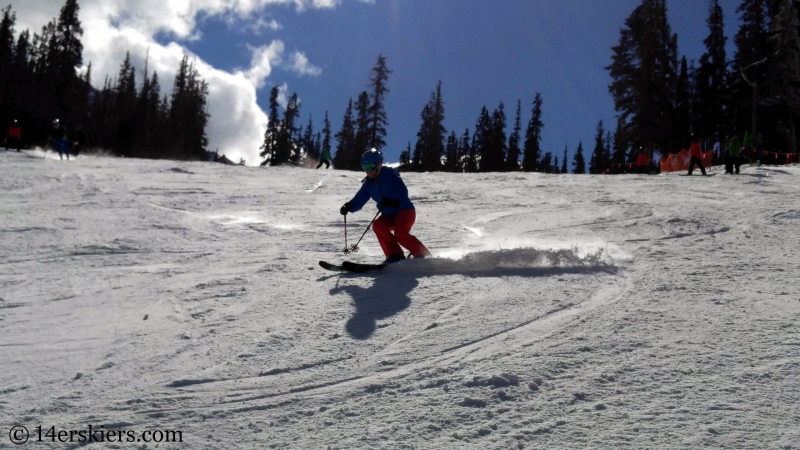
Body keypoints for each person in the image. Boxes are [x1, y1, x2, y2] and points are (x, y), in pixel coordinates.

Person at [339, 148, 431, 264]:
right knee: (378, 225)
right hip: (388, 215)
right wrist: (349, 206)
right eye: (365, 168)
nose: (369, 171)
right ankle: (395, 255)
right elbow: (360, 198)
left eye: (371, 167)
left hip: (404, 211)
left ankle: (423, 254)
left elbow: (401, 189)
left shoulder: (390, 174)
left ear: (378, 164)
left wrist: (394, 200)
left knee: (400, 234)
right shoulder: (368, 184)